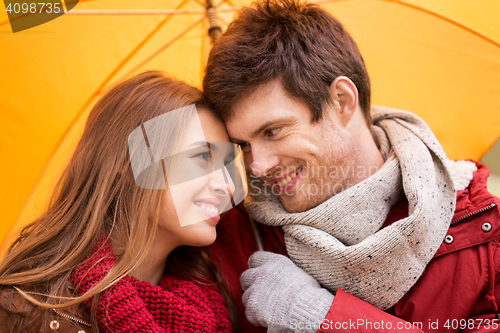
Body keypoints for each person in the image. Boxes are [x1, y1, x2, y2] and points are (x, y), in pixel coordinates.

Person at [203, 0, 500, 332]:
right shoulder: (226, 233)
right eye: (243, 144)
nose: (256, 167)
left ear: (342, 101)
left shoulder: (488, 239)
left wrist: (316, 314)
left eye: (273, 131)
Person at [0, 71, 246, 332]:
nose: (228, 186)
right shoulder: (23, 311)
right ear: (130, 164)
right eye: (201, 156)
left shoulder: (216, 308)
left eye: (226, 164)